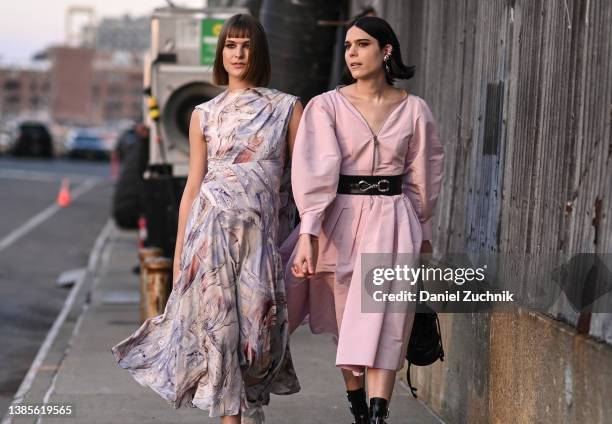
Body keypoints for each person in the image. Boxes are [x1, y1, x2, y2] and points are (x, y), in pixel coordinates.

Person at [111, 14, 303, 424]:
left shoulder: (287, 108)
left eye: (246, 45)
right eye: (230, 45)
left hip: (259, 240)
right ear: (221, 54)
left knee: (258, 341)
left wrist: (308, 238)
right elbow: (193, 185)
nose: (238, 53)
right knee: (221, 334)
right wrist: (181, 251)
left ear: (259, 52)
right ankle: (231, 415)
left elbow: (303, 183)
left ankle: (249, 407)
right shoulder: (205, 113)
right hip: (209, 234)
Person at [284, 16, 445, 424]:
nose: (352, 53)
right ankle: (358, 406)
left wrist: (423, 233)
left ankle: (378, 415)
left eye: (362, 44)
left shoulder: (414, 109)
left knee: (388, 320)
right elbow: (313, 172)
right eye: (348, 46)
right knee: (348, 322)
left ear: (385, 50)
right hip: (340, 218)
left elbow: (422, 176)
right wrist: (309, 232)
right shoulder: (327, 106)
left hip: (394, 222)